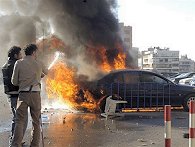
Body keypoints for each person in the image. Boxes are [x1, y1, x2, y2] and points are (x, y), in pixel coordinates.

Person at [11, 44, 48, 147]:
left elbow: (14, 81)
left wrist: (23, 82)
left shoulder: (19, 63)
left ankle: (16, 144)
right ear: (33, 52)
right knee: (36, 121)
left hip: (23, 94)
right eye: (36, 53)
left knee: (19, 121)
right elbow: (47, 72)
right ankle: (34, 145)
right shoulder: (38, 63)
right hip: (36, 94)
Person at [2, 46, 27, 146]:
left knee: (17, 118)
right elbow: (17, 80)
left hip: (11, 95)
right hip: (16, 95)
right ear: (15, 55)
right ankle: (15, 142)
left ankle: (16, 140)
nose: (21, 56)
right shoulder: (14, 65)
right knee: (20, 119)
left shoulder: (6, 65)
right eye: (20, 54)